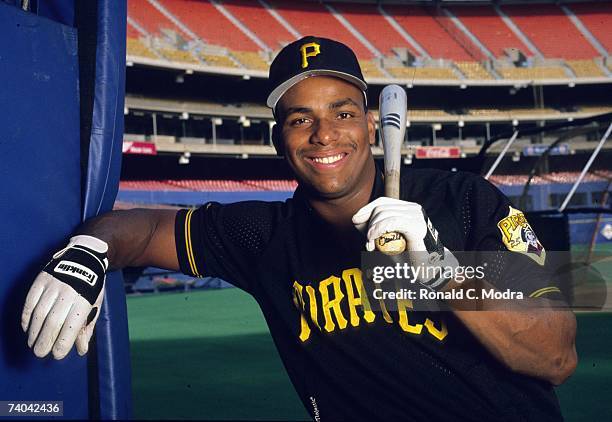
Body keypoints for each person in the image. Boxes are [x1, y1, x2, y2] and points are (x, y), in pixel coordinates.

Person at [21, 36, 577, 421]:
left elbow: (556, 356)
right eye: (299, 119)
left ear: (368, 123)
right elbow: (139, 229)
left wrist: (442, 271)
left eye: (341, 113)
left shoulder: (463, 200)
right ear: (278, 141)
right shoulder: (263, 236)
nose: (323, 135)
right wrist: (89, 250)